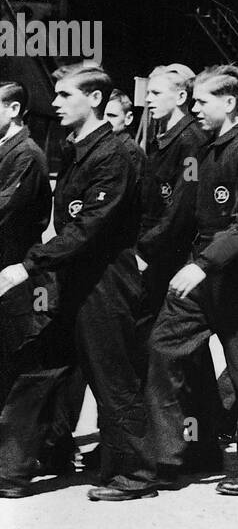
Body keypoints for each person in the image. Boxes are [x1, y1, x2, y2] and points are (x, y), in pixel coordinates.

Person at [0, 64, 156, 500]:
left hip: (105, 286)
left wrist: (28, 265)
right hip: (72, 280)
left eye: (66, 95)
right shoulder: (77, 148)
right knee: (39, 368)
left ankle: (135, 476)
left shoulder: (118, 154)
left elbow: (89, 227)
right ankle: (10, 469)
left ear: (95, 100)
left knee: (112, 380)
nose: (55, 103)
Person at [143, 64, 238, 495]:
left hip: (236, 281)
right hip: (200, 275)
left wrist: (202, 264)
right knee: (163, 347)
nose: (196, 109)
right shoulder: (208, 148)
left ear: (229, 102)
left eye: (203, 101)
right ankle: (165, 457)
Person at [135, 63, 221, 468]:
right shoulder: (164, 138)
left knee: (165, 353)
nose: (147, 100)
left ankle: (167, 455)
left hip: (173, 260)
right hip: (164, 256)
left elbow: (180, 210)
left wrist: (143, 251)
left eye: (155, 94)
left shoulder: (188, 142)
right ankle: (202, 447)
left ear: (181, 97)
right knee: (193, 359)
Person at [0, 83, 51, 409]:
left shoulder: (27, 155)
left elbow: (6, 209)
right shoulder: (7, 149)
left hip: (11, 271)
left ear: (14, 109)